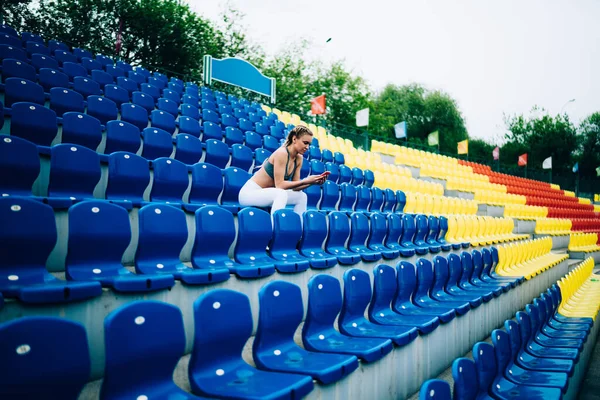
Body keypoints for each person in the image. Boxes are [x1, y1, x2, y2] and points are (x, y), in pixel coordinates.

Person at [238, 125, 328, 221]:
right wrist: (306, 180)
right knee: (281, 194)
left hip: (268, 194)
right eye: (305, 143)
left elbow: (296, 187)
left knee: (302, 196)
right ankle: (276, 230)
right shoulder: (282, 153)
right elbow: (280, 185)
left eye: (309, 144)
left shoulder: (299, 158)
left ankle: (299, 231)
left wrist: (312, 182)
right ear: (294, 139)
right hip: (249, 194)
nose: (307, 147)